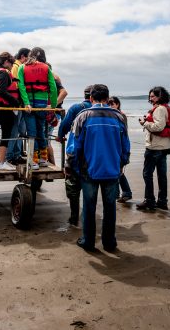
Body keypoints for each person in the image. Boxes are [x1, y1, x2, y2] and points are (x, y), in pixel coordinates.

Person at [66, 84, 130, 252]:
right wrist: (122, 163)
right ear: (107, 99)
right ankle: (109, 243)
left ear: (91, 98)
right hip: (112, 170)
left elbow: (73, 147)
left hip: (88, 171)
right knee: (110, 208)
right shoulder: (119, 117)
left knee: (89, 206)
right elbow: (125, 146)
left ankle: (88, 241)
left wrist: (71, 166)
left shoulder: (83, 116)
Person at [56, 85, 93, 226]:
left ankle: (73, 217)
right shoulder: (101, 110)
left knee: (73, 186)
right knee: (90, 187)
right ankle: (88, 216)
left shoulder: (76, 108)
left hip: (74, 153)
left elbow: (64, 125)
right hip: (92, 154)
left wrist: (60, 136)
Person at [137, 86, 170, 211]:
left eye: (153, 96)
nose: (150, 98)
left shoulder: (159, 109)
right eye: (150, 96)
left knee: (147, 174)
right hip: (163, 147)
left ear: (160, 96)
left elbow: (158, 127)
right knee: (161, 175)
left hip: (154, 147)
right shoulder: (164, 108)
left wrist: (144, 123)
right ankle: (162, 201)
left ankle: (150, 201)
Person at [17, 47, 57, 170]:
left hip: (29, 105)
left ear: (29, 55)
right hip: (42, 104)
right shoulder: (46, 68)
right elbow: (53, 88)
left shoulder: (22, 67)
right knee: (41, 130)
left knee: (31, 133)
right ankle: (43, 159)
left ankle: (33, 161)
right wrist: (53, 106)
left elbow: (21, 86)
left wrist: (26, 103)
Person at [0, 52, 20, 170]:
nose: (12, 66)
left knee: (6, 133)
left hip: (1, 106)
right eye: (11, 63)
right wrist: (16, 103)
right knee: (6, 133)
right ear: (6, 62)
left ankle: (2, 161)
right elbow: (2, 91)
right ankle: (1, 163)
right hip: (4, 107)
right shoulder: (3, 73)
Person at [6, 48, 30, 165]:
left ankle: (16, 154)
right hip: (17, 103)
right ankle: (10, 155)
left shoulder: (18, 66)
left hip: (20, 103)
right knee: (15, 130)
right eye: (28, 57)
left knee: (20, 130)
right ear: (23, 57)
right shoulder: (16, 67)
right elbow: (18, 85)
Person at [108, 96, 132, 203]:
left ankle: (126, 193)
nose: (110, 105)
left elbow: (123, 132)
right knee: (116, 171)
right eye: (109, 103)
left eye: (112, 103)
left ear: (117, 104)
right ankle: (117, 194)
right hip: (114, 146)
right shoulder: (112, 115)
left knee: (118, 171)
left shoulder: (120, 115)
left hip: (120, 147)